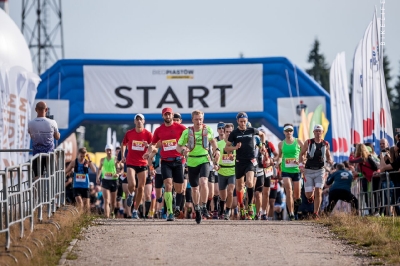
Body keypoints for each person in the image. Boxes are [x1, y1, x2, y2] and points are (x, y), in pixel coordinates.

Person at [176, 110, 220, 224]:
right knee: (195, 188)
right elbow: (178, 146)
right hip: (191, 161)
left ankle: (204, 206)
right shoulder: (187, 132)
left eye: (200, 119)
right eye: (196, 119)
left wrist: (217, 150)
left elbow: (213, 141)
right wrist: (183, 151)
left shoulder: (207, 129)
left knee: (204, 182)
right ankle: (197, 209)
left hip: (204, 159)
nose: (199, 121)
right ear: (192, 120)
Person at [144, 107, 187, 221]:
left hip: (178, 161)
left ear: (172, 115)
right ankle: (170, 213)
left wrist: (186, 149)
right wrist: (149, 152)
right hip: (165, 161)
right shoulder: (158, 130)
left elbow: (189, 139)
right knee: (168, 185)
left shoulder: (181, 128)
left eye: (169, 114)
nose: (167, 116)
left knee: (179, 189)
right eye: (165, 114)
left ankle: (177, 207)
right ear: (163, 116)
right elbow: (153, 144)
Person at [225, 112, 266, 220]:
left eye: (244, 121)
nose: (243, 123)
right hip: (239, 161)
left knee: (250, 182)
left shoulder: (252, 130)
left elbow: (262, 135)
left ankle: (250, 205)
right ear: (237, 121)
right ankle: (241, 206)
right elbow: (226, 148)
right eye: (241, 121)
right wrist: (235, 148)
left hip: (250, 161)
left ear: (247, 121)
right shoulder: (234, 133)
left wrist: (263, 145)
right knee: (239, 187)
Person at [121, 114, 153, 219]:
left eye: (141, 119)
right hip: (131, 162)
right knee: (132, 184)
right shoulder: (129, 133)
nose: (139, 121)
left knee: (141, 188)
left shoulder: (148, 134)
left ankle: (135, 211)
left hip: (143, 163)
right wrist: (122, 155)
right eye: (137, 119)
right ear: (135, 122)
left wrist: (147, 147)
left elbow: (153, 147)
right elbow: (124, 144)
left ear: (144, 121)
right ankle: (130, 194)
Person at [299, 124, 333, 220]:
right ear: (313, 132)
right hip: (308, 170)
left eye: (320, 131)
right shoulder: (309, 142)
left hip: (320, 170)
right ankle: (311, 195)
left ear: (322, 132)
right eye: (316, 131)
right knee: (308, 195)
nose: (318, 133)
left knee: (319, 191)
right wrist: (301, 166)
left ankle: (316, 213)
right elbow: (301, 154)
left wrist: (330, 161)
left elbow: (328, 155)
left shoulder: (326, 143)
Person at [28, 101, 60, 179]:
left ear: (36, 110)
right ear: (46, 110)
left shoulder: (31, 123)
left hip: (37, 155)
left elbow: (31, 136)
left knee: (37, 177)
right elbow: (57, 137)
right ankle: (51, 190)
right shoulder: (52, 122)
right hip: (49, 154)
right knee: (52, 176)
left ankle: (37, 191)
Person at [277, 123, 304, 220]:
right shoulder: (281, 144)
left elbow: (304, 154)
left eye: (290, 130)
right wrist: (277, 162)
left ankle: (295, 209)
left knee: (297, 196)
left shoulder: (298, 142)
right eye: (287, 131)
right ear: (284, 132)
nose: (289, 132)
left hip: (296, 170)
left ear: (293, 131)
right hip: (286, 170)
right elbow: (280, 157)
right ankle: (291, 213)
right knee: (288, 191)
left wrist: (301, 161)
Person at [65, 147, 97, 211]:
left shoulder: (87, 162)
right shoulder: (74, 162)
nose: (82, 158)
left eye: (84, 156)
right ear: (78, 154)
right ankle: (80, 218)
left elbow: (94, 170)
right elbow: (66, 170)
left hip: (85, 186)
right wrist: (67, 173)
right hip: (76, 186)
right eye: (81, 156)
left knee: (86, 205)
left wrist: (90, 160)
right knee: (80, 203)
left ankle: (86, 218)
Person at [215, 123, 236, 220]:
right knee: (223, 195)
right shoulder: (219, 144)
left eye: (230, 132)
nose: (228, 133)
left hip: (232, 171)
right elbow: (214, 156)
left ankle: (227, 211)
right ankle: (221, 208)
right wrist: (215, 164)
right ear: (224, 132)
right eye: (226, 132)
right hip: (222, 171)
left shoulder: (236, 143)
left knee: (230, 191)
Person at [96, 144, 119, 219]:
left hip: (114, 181)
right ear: (105, 151)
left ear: (112, 151)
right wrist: (97, 177)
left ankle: (112, 213)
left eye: (110, 150)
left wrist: (117, 174)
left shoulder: (115, 159)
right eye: (107, 150)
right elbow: (99, 169)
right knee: (106, 200)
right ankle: (106, 216)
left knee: (113, 202)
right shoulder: (102, 160)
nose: (109, 152)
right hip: (105, 180)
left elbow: (119, 168)